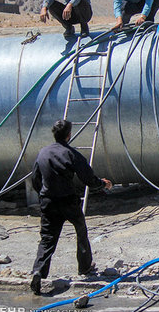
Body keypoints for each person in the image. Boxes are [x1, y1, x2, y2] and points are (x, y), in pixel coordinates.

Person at [30, 119, 113, 295]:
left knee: (47, 238)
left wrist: (43, 194)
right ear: (68, 135)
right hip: (68, 201)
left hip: (48, 201)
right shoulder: (71, 154)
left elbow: (35, 179)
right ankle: (84, 267)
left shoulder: (43, 153)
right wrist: (103, 184)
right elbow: (88, 179)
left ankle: (38, 271)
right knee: (81, 230)